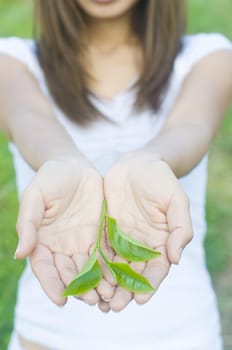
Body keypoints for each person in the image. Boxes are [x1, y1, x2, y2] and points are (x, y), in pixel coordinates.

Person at [0, 0, 232, 349]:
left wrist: (152, 159)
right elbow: (30, 119)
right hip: (47, 336)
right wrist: (62, 159)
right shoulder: (13, 61)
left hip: (182, 334)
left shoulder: (208, 56)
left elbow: (191, 125)